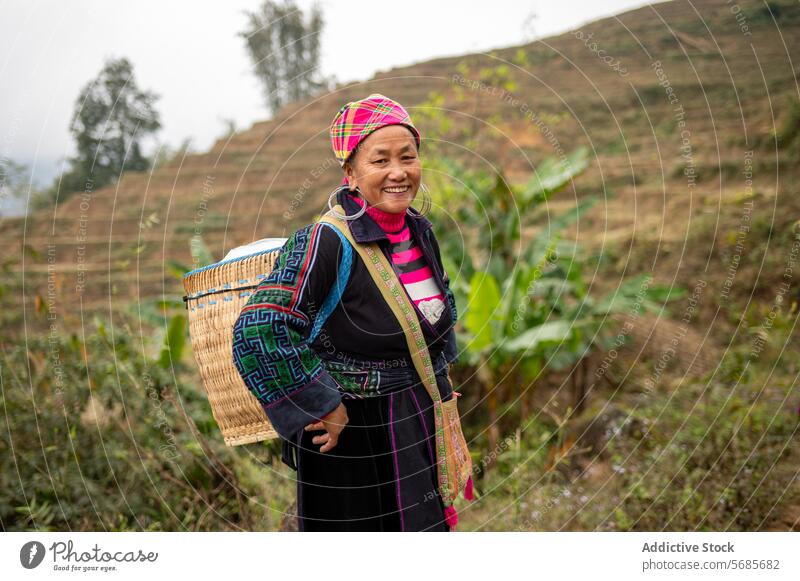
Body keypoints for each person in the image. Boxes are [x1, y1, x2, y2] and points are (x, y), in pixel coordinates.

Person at [232, 93, 469, 531]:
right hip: (353, 437)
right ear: (352, 173)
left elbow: (431, 319)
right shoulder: (327, 240)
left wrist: (439, 383)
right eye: (380, 161)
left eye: (408, 157)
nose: (398, 172)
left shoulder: (419, 231)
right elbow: (258, 327)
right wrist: (323, 405)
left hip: (413, 419)